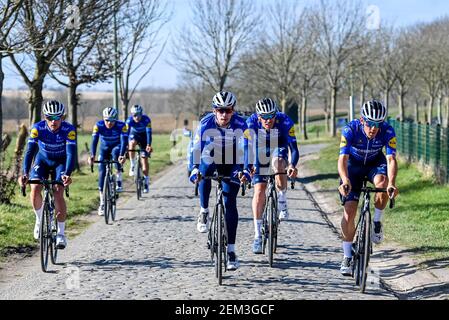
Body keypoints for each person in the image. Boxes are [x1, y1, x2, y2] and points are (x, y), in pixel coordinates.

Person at [189, 91, 249, 271]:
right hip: (212, 155)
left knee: (230, 203)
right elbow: (197, 147)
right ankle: (204, 210)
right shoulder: (205, 123)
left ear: (233, 110)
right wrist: (194, 168)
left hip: (232, 161)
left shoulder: (241, 123)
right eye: (220, 110)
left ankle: (231, 251)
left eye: (228, 110)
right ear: (214, 111)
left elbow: (246, 149)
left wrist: (245, 169)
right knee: (204, 169)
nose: (224, 114)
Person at [338, 100, 399, 276]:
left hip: (375, 164)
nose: (373, 128)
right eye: (370, 123)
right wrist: (344, 180)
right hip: (353, 166)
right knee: (349, 212)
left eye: (377, 124)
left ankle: (377, 221)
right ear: (362, 120)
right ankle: (347, 256)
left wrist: (392, 183)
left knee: (383, 184)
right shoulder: (350, 129)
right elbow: (342, 159)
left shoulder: (388, 131)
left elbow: (391, 160)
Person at [244, 98, 299, 254]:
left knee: (279, 164)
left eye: (271, 116)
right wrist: (249, 166)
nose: (268, 120)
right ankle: (257, 235)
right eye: (264, 117)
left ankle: (282, 198)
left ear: (276, 114)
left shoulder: (285, 121)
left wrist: (292, 165)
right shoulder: (250, 122)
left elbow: (294, 148)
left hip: (278, 147)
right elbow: (247, 147)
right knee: (259, 192)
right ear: (258, 116)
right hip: (259, 149)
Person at [19, 100, 76, 249]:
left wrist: (67, 174)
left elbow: (71, 154)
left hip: (61, 162)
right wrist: (25, 173)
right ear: (45, 117)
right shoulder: (37, 128)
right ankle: (39, 220)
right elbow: (30, 151)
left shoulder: (68, 129)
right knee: (35, 187)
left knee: (58, 192)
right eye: (49, 118)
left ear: (62, 117)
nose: (53, 121)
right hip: (43, 160)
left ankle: (61, 234)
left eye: (57, 118)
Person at [88, 107, 128, 216]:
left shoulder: (121, 126)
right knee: (101, 172)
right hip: (104, 149)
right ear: (103, 119)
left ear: (115, 119)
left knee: (116, 153)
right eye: (107, 120)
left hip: (117, 147)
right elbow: (94, 141)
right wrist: (92, 155)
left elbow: (124, 141)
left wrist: (122, 155)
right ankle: (102, 202)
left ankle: (118, 176)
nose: (109, 123)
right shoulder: (98, 125)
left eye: (112, 120)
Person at [126, 104, 153, 193]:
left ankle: (146, 180)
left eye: (138, 114)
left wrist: (148, 145)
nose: (137, 117)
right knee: (131, 143)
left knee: (144, 161)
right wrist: (126, 145)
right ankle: (132, 165)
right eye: (134, 115)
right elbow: (126, 134)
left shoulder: (146, 120)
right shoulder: (129, 121)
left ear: (141, 114)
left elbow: (149, 133)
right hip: (135, 135)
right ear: (132, 115)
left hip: (144, 137)